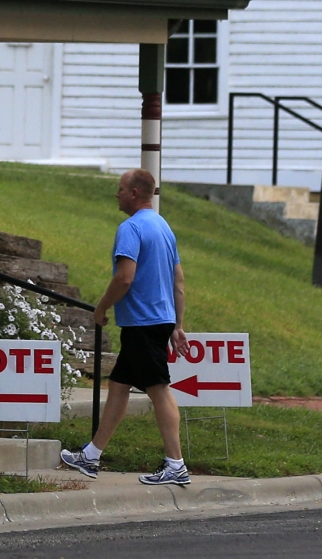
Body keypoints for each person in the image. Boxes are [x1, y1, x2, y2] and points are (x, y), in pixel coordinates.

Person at [60, 168, 192, 486]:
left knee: (159, 390)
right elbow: (179, 283)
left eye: (120, 189)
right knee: (119, 386)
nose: (116, 194)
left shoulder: (130, 228)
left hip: (142, 323)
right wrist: (177, 325)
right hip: (157, 321)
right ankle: (91, 456)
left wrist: (102, 307)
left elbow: (124, 277)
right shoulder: (163, 227)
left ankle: (176, 464)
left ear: (134, 193)